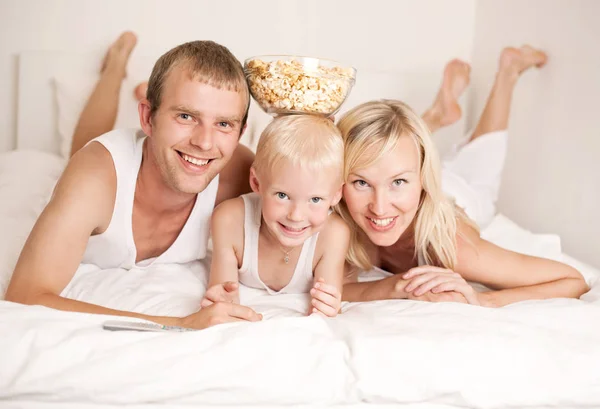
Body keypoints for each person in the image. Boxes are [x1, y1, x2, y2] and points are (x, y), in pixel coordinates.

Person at [5, 32, 262, 329]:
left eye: (223, 124)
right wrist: (180, 322)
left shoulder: (241, 170)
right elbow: (24, 296)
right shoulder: (94, 177)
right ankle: (114, 68)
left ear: (241, 133)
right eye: (186, 116)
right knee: (80, 149)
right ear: (147, 117)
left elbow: (311, 195)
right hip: (99, 166)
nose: (205, 143)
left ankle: (160, 98)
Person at [336, 45, 590, 306]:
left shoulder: (456, 248)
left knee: (484, 149)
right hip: (421, 181)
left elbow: (572, 280)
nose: (379, 208)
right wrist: (390, 287)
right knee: (393, 156)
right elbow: (334, 289)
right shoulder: (336, 217)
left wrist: (482, 300)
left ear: (423, 180)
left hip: (460, 191)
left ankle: (508, 72)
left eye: (398, 182)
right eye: (361, 182)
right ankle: (435, 116)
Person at [201, 115, 349, 317]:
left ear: (336, 195)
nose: (296, 216)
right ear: (256, 183)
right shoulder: (229, 220)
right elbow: (224, 298)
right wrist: (220, 299)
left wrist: (328, 306)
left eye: (315, 200)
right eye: (282, 195)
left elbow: (326, 308)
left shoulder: (333, 234)